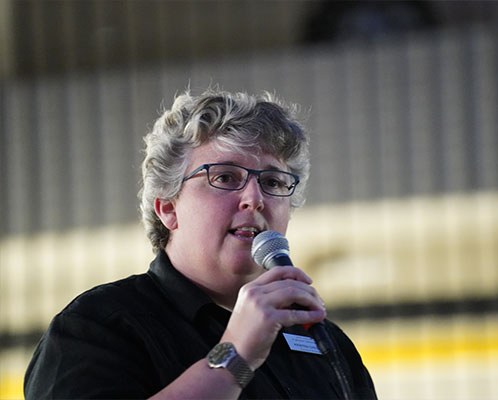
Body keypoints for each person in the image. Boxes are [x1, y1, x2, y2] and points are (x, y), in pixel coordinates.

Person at [24, 88, 377, 399]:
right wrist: (235, 355)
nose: (254, 199)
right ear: (168, 209)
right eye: (225, 177)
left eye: (272, 182)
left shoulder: (325, 343)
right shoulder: (97, 327)